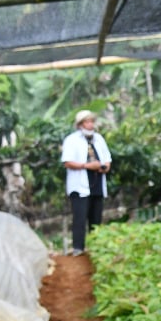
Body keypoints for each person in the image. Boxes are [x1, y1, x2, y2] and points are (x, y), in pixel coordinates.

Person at [61, 109, 112, 255]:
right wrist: (87, 166)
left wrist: (103, 167)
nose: (91, 125)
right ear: (80, 124)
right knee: (80, 218)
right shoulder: (71, 140)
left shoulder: (99, 139)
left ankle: (96, 247)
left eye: (92, 122)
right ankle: (78, 248)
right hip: (80, 185)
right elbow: (67, 162)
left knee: (96, 218)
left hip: (97, 184)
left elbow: (107, 159)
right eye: (87, 122)